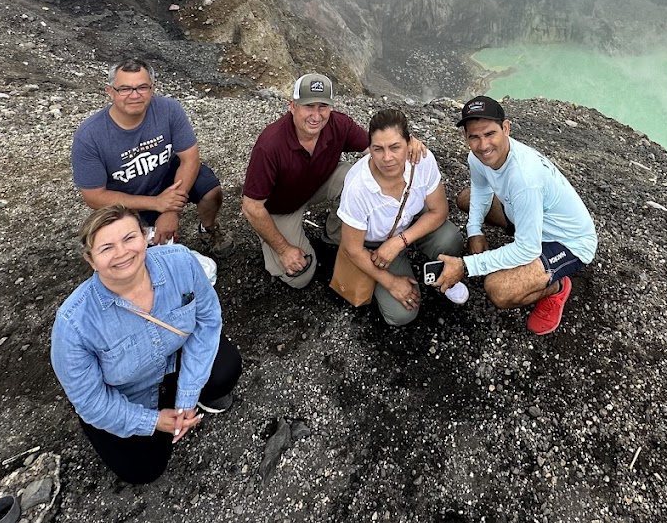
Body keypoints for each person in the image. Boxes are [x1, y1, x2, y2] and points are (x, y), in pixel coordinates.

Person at [50, 206, 242, 485]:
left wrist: (187, 397)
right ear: (90, 260)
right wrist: (153, 422)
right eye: (106, 248)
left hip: (173, 361)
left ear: (145, 237)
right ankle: (152, 418)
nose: (122, 252)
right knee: (144, 469)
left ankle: (183, 400)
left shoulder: (181, 262)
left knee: (226, 369)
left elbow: (208, 320)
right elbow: (91, 400)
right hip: (127, 393)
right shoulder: (73, 323)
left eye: (129, 238)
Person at [241, 72, 424, 288]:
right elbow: (251, 207)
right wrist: (283, 249)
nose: (316, 116)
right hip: (279, 208)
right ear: (292, 106)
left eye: (323, 107)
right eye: (309, 106)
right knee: (300, 277)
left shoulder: (339, 125)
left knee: (350, 175)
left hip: (315, 185)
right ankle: (272, 242)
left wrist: (406, 142)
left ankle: (336, 235)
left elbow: (376, 148)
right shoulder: (270, 145)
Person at [432, 96, 598, 335]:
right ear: (465, 137)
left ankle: (558, 286)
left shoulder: (524, 178)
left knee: (499, 289)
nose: (483, 145)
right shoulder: (477, 158)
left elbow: (527, 249)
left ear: (506, 128)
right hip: (525, 217)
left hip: (568, 241)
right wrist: (475, 231)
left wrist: (465, 266)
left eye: (490, 134)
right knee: (466, 198)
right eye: (474, 137)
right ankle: (531, 255)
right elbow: (481, 189)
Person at [71, 58, 232, 254]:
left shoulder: (169, 110)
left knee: (211, 191)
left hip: (165, 178)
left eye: (142, 87)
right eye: (125, 89)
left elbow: (190, 158)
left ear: (152, 88)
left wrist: (171, 210)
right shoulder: (89, 136)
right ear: (110, 92)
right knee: (137, 252)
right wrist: (157, 204)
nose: (134, 95)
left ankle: (209, 228)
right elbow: (94, 197)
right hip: (126, 197)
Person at [334, 108, 469, 324]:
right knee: (402, 314)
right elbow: (353, 249)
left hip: (407, 224)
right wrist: (390, 282)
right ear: (370, 148)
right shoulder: (358, 187)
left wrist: (399, 242)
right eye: (378, 149)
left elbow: (439, 211)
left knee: (451, 239)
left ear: (409, 143)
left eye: (395, 147)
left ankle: (441, 275)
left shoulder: (422, 160)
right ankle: (383, 280)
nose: (387, 158)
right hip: (374, 247)